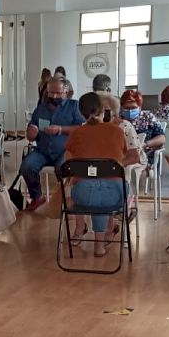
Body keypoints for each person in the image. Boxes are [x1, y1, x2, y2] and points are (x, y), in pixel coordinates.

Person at [64, 93, 127, 257]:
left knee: (92, 192)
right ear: (103, 110)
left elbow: (68, 166)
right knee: (106, 193)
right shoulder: (117, 131)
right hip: (115, 193)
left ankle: (91, 238)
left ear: (80, 113)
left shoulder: (76, 133)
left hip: (83, 194)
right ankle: (99, 244)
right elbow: (122, 158)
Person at [20, 77, 84, 210]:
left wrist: (61, 129)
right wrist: (32, 134)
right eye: (51, 93)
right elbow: (30, 136)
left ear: (65, 92)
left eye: (58, 93)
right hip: (43, 151)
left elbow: (81, 129)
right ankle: (37, 197)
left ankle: (66, 199)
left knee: (63, 168)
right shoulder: (40, 109)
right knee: (27, 166)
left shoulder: (74, 106)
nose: (54, 96)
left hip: (65, 150)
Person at [119, 89, 166, 156]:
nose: (130, 111)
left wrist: (145, 144)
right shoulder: (117, 119)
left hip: (145, 155)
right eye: (127, 108)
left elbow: (162, 138)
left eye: (133, 108)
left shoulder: (148, 117)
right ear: (121, 108)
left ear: (140, 107)